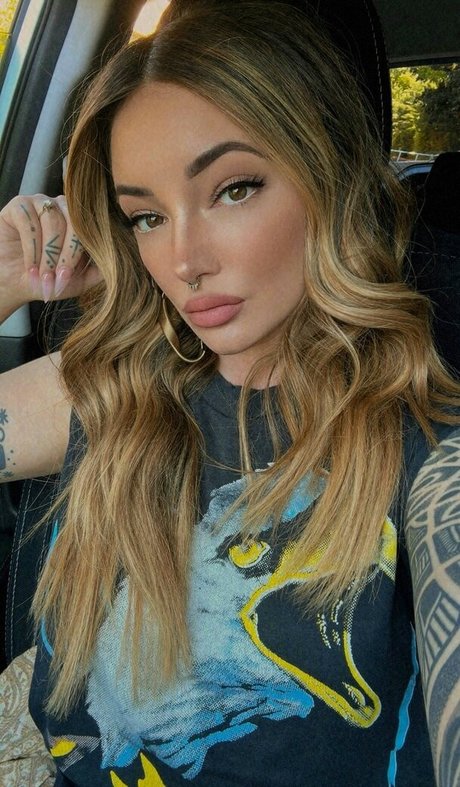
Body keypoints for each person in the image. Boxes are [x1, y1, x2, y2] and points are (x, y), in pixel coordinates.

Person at [0, 1, 459, 785]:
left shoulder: (427, 446)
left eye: (234, 189)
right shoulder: (109, 391)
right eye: (145, 216)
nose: (184, 260)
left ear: (328, 177)